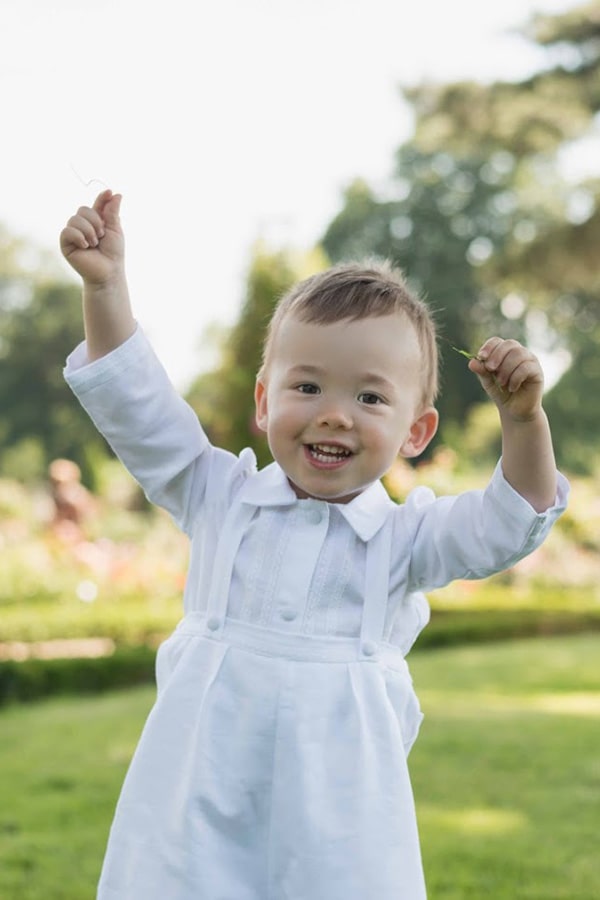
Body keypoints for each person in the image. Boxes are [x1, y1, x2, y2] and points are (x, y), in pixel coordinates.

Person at [60, 190, 568, 899]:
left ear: (416, 433)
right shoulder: (219, 496)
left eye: (369, 398)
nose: (334, 415)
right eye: (307, 385)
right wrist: (106, 285)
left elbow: (508, 522)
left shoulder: (404, 539)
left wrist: (524, 424)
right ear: (265, 401)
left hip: (340, 828)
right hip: (194, 815)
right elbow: (138, 408)